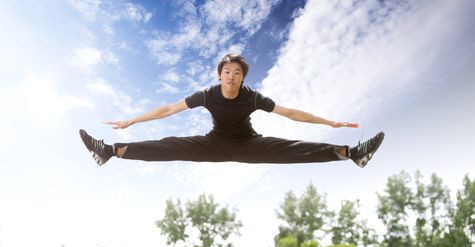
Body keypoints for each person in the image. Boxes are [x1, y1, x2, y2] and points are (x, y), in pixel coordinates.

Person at [79, 53, 384, 168]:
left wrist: (329, 122)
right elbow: (169, 108)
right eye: (227, 71)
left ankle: (352, 154)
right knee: (171, 144)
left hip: (249, 144)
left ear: (242, 77)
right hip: (214, 144)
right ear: (219, 75)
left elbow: (290, 113)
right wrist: (132, 120)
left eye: (237, 72)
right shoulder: (208, 95)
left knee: (292, 148)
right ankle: (110, 152)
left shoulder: (251, 97)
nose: (231, 76)